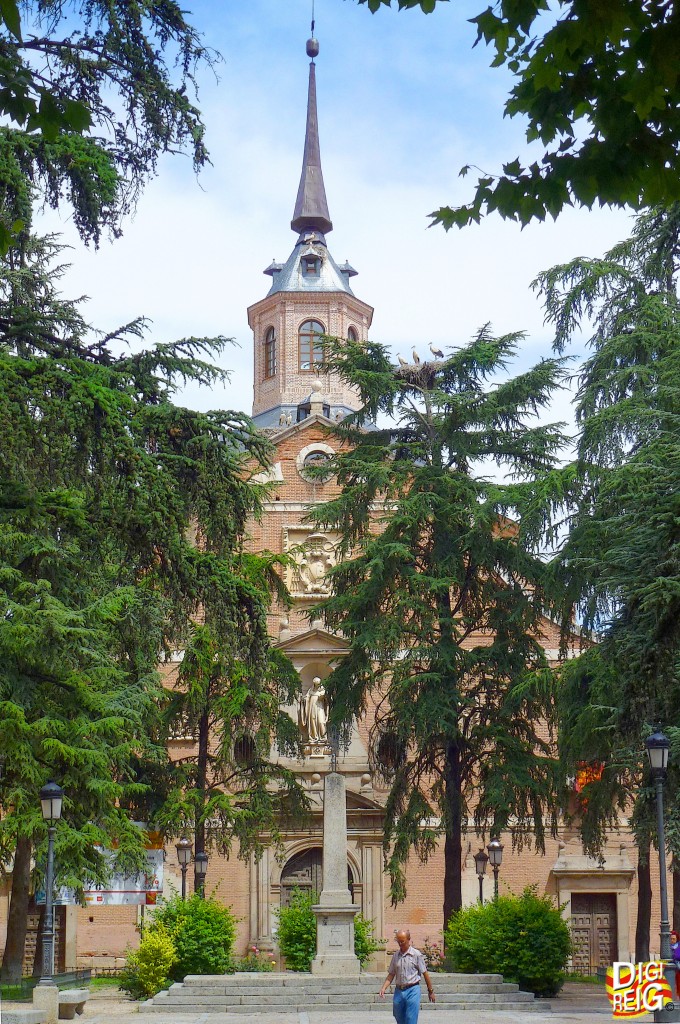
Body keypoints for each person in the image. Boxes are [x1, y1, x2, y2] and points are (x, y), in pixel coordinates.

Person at [379, 929, 435, 1024]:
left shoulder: (416, 955)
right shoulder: (396, 956)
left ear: (408, 939)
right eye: (398, 941)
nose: (400, 944)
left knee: (410, 1018)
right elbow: (391, 973)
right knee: (398, 1015)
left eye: (402, 941)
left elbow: (425, 973)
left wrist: (430, 991)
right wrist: (384, 988)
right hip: (399, 990)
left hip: (412, 989)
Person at [298, 676, 327, 742]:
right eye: (316, 684)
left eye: (318, 684)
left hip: (320, 708)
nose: (317, 685)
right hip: (312, 708)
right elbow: (306, 698)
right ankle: (314, 737)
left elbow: (326, 701)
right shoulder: (310, 691)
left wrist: (323, 697)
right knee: (312, 722)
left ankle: (323, 737)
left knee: (321, 722)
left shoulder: (323, 691)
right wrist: (304, 699)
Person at [670, 930, 680, 1000]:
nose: (672, 940)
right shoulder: (668, 947)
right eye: (671, 939)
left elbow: (678, 956)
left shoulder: (678, 946)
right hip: (671, 969)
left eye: (674, 939)